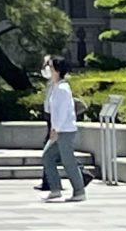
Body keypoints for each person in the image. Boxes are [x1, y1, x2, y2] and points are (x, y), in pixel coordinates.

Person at [38, 54, 88, 202]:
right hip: (59, 130)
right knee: (47, 156)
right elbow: (48, 108)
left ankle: (79, 191)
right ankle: (55, 189)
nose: (48, 69)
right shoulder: (55, 87)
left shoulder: (62, 89)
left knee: (68, 160)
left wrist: (55, 130)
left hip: (64, 131)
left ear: (58, 70)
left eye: (51, 67)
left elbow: (63, 112)